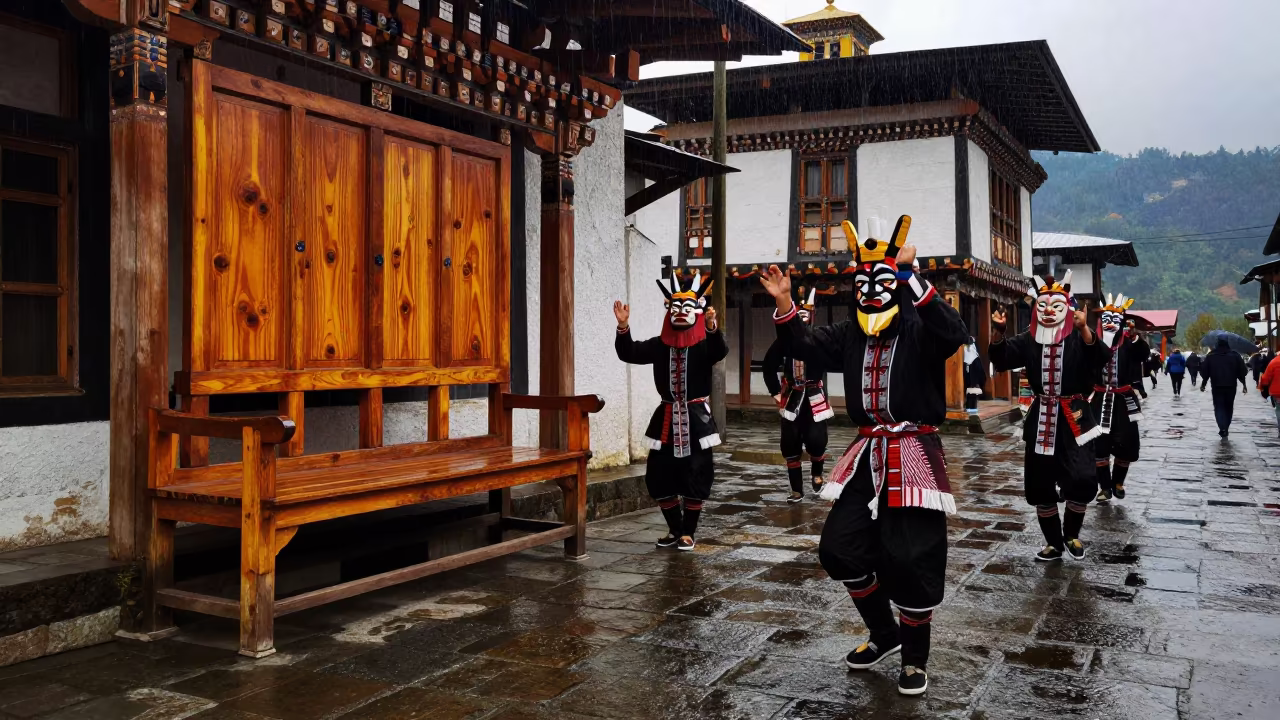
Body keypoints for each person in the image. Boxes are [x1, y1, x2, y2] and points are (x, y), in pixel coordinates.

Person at [760, 215, 967, 697]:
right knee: (838, 548)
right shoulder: (850, 333)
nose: (871, 291)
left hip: (913, 448)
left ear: (896, 284)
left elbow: (955, 331)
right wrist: (786, 303)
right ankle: (884, 634)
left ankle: (915, 659)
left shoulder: (920, 329)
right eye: (862, 282)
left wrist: (910, 274)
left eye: (882, 281)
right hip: (866, 448)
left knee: (911, 556)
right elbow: (805, 346)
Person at [989, 270, 1110, 563]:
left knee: (1082, 477)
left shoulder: (1080, 338)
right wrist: (998, 331)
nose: (1048, 312)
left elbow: (1101, 357)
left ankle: (1072, 534)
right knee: (1040, 483)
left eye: (1056, 306)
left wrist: (1084, 329)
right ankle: (1053, 543)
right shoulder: (1029, 340)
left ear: (1067, 310)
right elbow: (1001, 358)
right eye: (1042, 306)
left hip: (1076, 415)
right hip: (1042, 416)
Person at [614, 271, 727, 551]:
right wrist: (623, 326)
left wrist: (712, 326)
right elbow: (629, 352)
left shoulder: (703, 346)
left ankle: (689, 532)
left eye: (687, 307)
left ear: (697, 312)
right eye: (675, 307)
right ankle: (674, 529)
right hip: (665, 418)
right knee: (658, 475)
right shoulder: (659, 345)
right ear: (668, 310)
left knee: (697, 472)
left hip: (696, 419)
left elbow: (719, 350)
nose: (680, 312)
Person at [762, 287, 833, 503]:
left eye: (805, 316)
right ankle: (796, 490)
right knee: (790, 443)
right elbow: (768, 365)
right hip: (791, 396)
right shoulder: (783, 342)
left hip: (814, 395)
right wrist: (775, 391)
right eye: (798, 315)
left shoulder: (819, 337)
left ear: (811, 317)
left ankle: (817, 474)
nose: (801, 320)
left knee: (817, 439)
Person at [1091, 294, 1147, 504]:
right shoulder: (1093, 342)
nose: (1109, 323)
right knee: (1099, 444)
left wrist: (1134, 336)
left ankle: (1118, 482)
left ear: (1122, 322)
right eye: (1105, 319)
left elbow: (1142, 354)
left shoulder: (1129, 344)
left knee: (1127, 443)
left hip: (1124, 399)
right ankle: (1104, 487)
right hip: (1099, 398)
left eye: (1115, 319)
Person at [1199, 337, 1248, 437]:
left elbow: (1204, 372)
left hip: (1217, 386)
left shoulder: (1211, 356)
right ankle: (1226, 427)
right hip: (1231, 386)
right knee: (1229, 407)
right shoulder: (1235, 355)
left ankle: (1222, 427)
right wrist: (1243, 384)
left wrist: (1203, 383)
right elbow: (1243, 371)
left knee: (1219, 407)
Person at [963, 338, 988, 415]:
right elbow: (981, 373)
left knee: (968, 398)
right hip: (974, 384)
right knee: (973, 401)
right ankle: (972, 411)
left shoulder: (963, 356)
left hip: (967, 385)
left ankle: (969, 409)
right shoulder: (975, 357)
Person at [1259, 352, 1280, 437]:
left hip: (1277, 392)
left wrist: (1261, 384)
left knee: (1279, 410)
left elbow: (1265, 379)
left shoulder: (1274, 362)